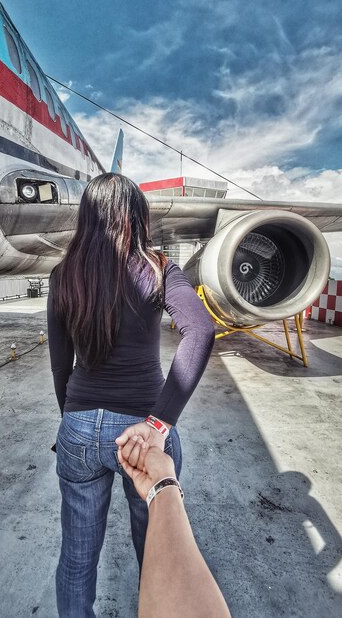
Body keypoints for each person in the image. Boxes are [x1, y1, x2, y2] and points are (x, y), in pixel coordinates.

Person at [47, 172, 215, 617]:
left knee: (77, 559)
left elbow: (61, 365)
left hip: (80, 426)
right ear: (137, 217)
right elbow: (199, 331)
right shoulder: (159, 268)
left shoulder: (63, 275)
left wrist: (71, 421)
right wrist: (158, 424)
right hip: (144, 431)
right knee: (157, 551)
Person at [118, 439, 232, 618]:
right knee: (149, 529)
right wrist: (164, 483)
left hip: (79, 422)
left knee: (78, 559)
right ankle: (150, 596)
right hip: (149, 433)